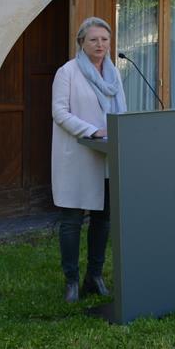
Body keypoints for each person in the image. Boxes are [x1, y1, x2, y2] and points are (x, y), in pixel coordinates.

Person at [52, 16, 126, 303]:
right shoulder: (67, 72)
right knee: (72, 220)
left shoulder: (114, 75)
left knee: (102, 219)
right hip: (78, 156)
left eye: (105, 39)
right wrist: (92, 131)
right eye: (93, 39)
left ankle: (94, 276)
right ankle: (71, 280)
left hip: (106, 157)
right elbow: (59, 112)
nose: (100, 44)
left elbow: (121, 111)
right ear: (81, 42)